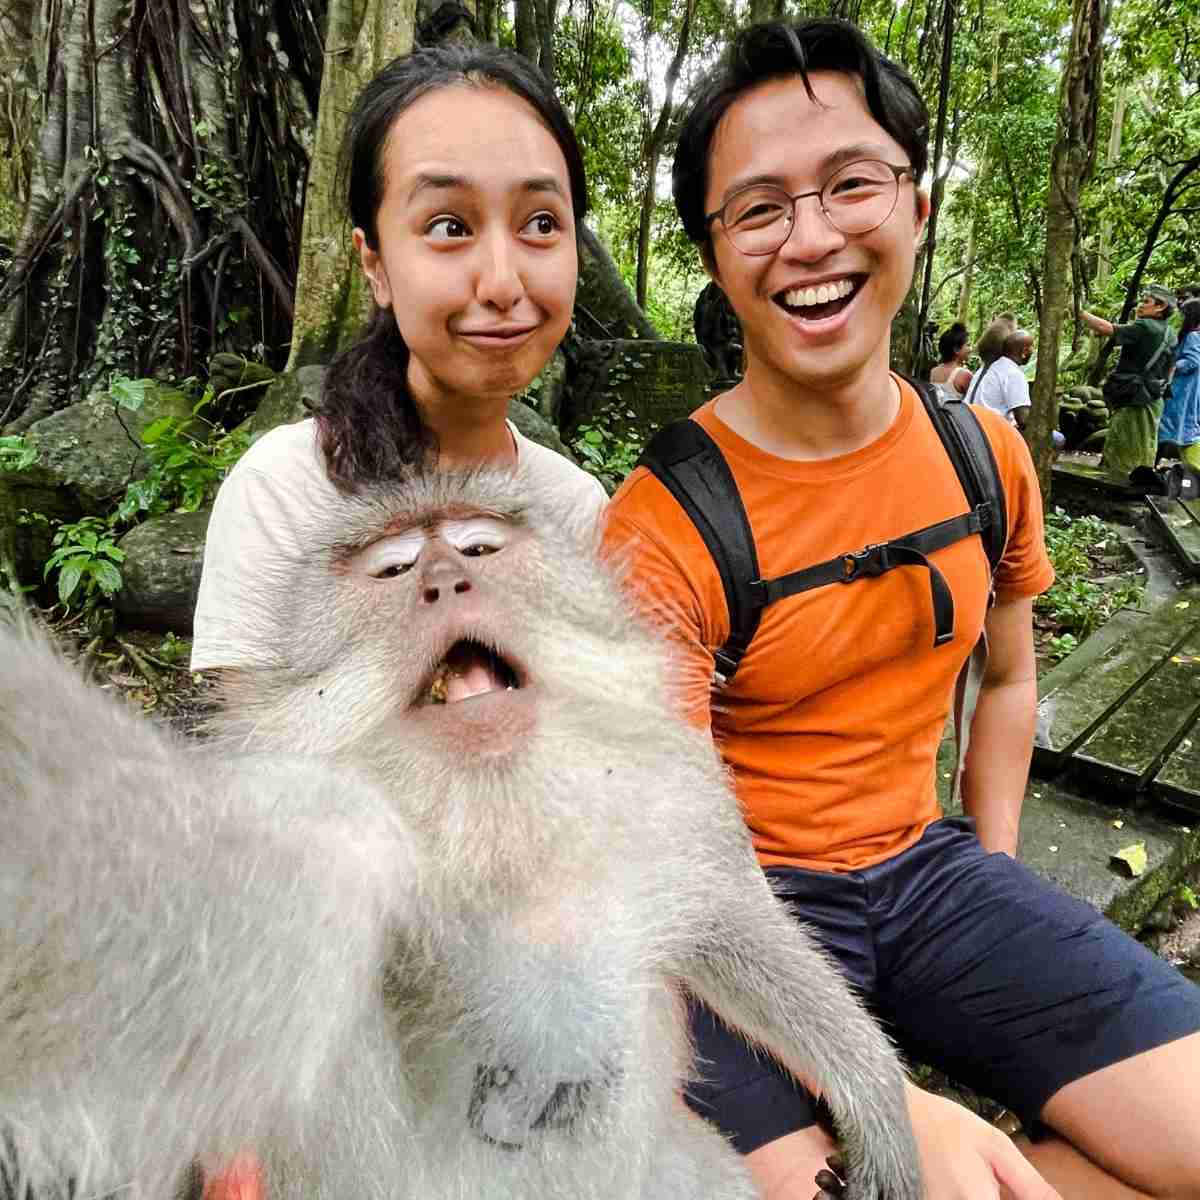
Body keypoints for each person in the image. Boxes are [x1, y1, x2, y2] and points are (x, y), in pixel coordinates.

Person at [602, 18, 1200, 1200]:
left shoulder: (986, 456)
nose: (811, 236)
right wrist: (878, 1088)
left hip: (927, 876)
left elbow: (1010, 675)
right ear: (719, 258)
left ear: (916, 207)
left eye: (850, 185)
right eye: (760, 208)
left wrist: (996, 875)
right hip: (738, 925)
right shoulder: (662, 523)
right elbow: (665, 854)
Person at [191, 44, 607, 674]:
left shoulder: (577, 509)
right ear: (375, 263)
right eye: (449, 226)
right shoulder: (285, 493)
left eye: (542, 222)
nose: (502, 283)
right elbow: (256, 760)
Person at [1080, 285, 1178, 482]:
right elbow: (1171, 369)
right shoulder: (1170, 333)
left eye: (1146, 302)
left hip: (1136, 400)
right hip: (1153, 398)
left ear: (1161, 307)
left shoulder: (1145, 327)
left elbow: (1107, 329)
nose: (1141, 306)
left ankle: (1118, 481)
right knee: (1145, 443)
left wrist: (1080, 313)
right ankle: (1140, 481)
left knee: (1123, 443)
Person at [964, 326, 1034, 429]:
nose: (1033, 351)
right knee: (1058, 439)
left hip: (971, 424)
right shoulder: (1014, 374)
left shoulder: (987, 368)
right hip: (989, 431)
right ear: (1024, 352)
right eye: (1032, 347)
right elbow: (1023, 420)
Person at [1159, 298, 1200, 467]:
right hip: (1189, 389)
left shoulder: (1192, 336)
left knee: (1169, 428)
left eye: (1183, 315)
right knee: (1184, 429)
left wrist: (1175, 366)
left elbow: (1193, 360)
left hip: (1182, 390)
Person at [928, 321, 973, 399]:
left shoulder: (933, 371)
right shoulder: (964, 375)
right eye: (968, 345)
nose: (970, 349)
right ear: (956, 350)